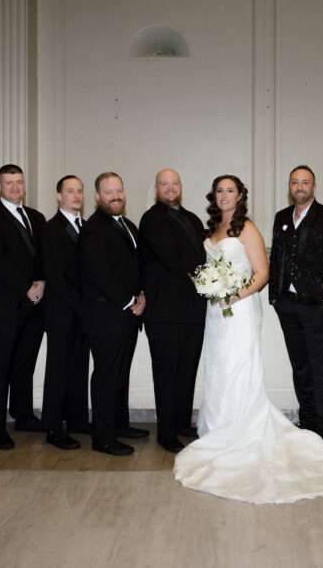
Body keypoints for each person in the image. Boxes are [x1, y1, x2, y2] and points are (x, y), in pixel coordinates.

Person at [173, 175, 323, 503]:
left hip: (238, 310)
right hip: (216, 312)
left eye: (230, 190)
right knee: (219, 369)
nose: (224, 195)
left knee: (239, 367)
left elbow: (263, 272)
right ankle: (217, 429)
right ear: (213, 196)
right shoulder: (211, 228)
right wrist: (215, 291)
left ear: (241, 195)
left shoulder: (248, 228)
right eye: (219, 190)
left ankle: (244, 430)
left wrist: (234, 296)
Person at [269, 165, 323, 445]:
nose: (299, 187)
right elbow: (277, 256)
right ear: (289, 186)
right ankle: (309, 420)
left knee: (320, 366)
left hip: (316, 306)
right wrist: (275, 297)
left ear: (314, 187)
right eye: (295, 182)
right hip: (287, 306)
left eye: (305, 182)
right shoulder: (281, 217)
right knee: (299, 365)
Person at [0, 164, 46, 450]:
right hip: (3, 305)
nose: (15, 187)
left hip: (34, 304)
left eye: (18, 182)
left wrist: (41, 282)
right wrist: (26, 286)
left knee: (25, 363)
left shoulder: (36, 217)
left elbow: (44, 255)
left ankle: (24, 414)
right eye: (8, 183)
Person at [78, 172, 149, 456]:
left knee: (120, 374)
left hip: (127, 314)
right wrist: (129, 300)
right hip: (105, 316)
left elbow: (135, 266)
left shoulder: (127, 225)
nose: (115, 196)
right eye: (109, 192)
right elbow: (100, 274)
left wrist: (141, 294)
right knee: (107, 377)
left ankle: (120, 425)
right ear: (97, 196)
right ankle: (103, 437)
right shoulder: (94, 228)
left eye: (119, 190)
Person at [139, 169, 207, 454]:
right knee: (167, 372)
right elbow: (174, 259)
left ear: (181, 186)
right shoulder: (152, 219)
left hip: (193, 308)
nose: (170, 188)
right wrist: (208, 277)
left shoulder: (193, 218)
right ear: (156, 188)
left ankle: (181, 423)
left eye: (174, 183)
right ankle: (166, 433)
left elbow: (202, 253)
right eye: (164, 184)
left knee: (187, 369)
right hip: (164, 309)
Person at [39, 175, 86, 450]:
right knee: (57, 369)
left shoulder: (87, 227)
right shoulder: (50, 229)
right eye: (70, 191)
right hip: (60, 311)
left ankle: (78, 420)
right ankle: (53, 428)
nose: (76, 195)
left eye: (79, 191)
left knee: (78, 367)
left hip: (81, 312)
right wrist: (81, 303)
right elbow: (55, 276)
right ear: (59, 196)